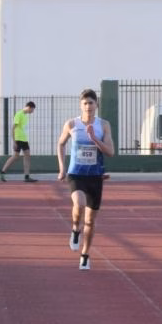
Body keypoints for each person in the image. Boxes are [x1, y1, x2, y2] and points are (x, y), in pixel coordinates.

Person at [56, 88, 115, 271]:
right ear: (80, 105)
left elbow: (111, 152)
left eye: (91, 103)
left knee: (90, 221)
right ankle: (75, 229)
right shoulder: (72, 124)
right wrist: (62, 168)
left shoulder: (103, 125)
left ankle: (85, 255)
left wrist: (94, 139)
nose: (88, 106)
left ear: (96, 105)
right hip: (76, 174)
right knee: (79, 204)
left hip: (95, 177)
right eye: (85, 103)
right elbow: (61, 143)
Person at [0, 101, 38, 182]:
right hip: (18, 139)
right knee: (15, 156)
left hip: (24, 139)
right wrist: (14, 141)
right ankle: (2, 172)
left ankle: (26, 176)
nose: (32, 112)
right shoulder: (19, 114)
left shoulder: (25, 116)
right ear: (29, 107)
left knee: (27, 155)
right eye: (32, 110)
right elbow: (13, 128)